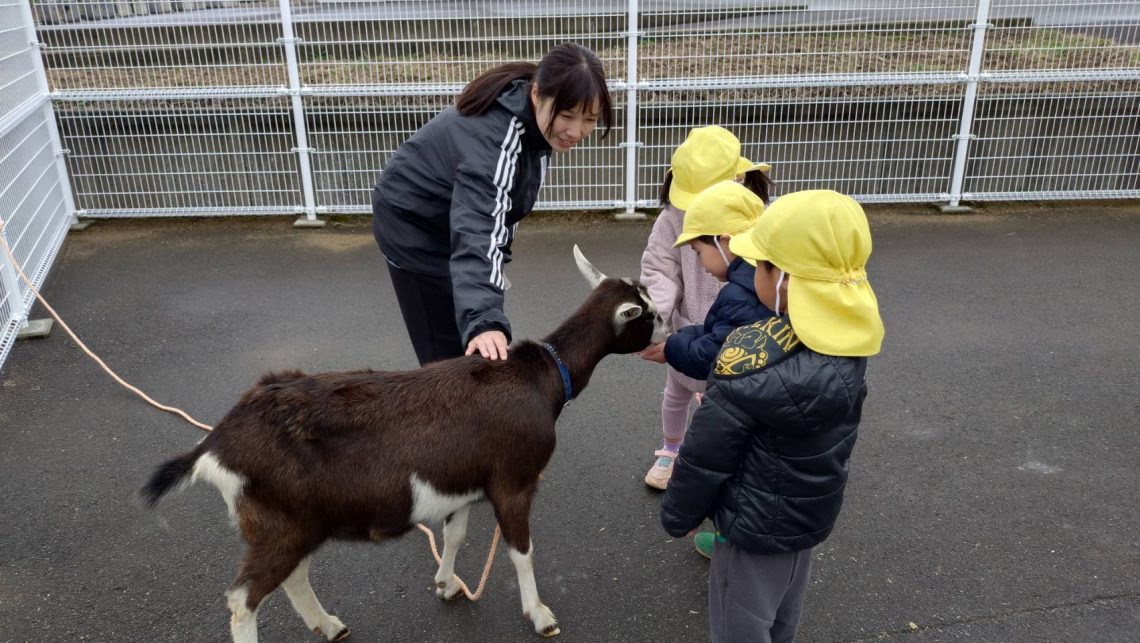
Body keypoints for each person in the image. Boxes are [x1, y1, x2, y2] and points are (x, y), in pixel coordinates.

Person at [660, 190, 885, 643]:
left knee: (737, 623)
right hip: (805, 520)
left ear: (782, 278)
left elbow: (705, 456)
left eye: (760, 266)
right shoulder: (846, 351)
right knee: (782, 613)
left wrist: (677, 516)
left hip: (750, 524)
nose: (752, 274)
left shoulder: (748, 363)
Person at [371, 43, 614, 365]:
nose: (577, 131)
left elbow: (503, 206)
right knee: (447, 361)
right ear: (537, 93)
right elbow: (479, 226)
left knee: (471, 333)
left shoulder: (532, 123)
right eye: (567, 116)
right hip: (412, 226)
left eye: (590, 119)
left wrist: (491, 274)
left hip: (447, 218)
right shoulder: (497, 140)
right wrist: (484, 320)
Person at [639, 126, 772, 490]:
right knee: (676, 393)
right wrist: (655, 319)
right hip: (688, 328)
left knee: (725, 410)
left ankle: (717, 463)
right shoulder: (672, 218)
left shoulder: (755, 218)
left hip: (739, 339)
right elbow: (659, 270)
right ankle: (671, 449)